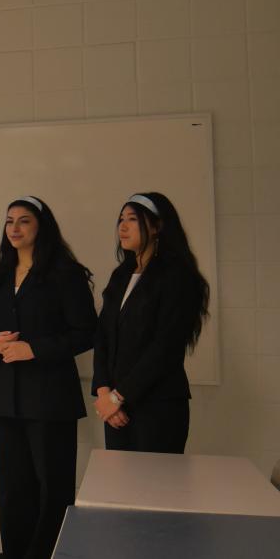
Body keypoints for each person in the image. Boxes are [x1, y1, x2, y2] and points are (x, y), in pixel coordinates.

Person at [0, 195, 96, 559]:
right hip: (6, 400)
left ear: (42, 227)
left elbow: (86, 332)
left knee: (52, 489)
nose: (14, 228)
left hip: (50, 400)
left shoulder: (65, 274)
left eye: (24, 220)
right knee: (13, 490)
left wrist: (34, 349)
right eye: (9, 221)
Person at [91, 192, 210, 454]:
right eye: (121, 219)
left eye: (132, 219)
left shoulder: (177, 276)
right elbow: (102, 336)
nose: (122, 226)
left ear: (157, 226)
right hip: (114, 409)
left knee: (156, 480)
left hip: (158, 405)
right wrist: (104, 392)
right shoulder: (121, 275)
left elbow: (166, 346)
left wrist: (118, 396)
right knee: (118, 480)